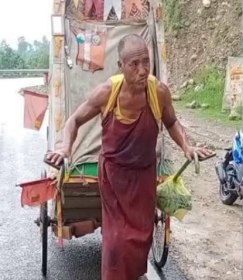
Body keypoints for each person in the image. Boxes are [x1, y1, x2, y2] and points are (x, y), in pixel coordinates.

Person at [45, 34, 212, 280]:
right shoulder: (106, 93)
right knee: (116, 242)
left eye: (146, 62)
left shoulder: (159, 92)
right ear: (120, 66)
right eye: (134, 64)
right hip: (113, 178)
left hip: (144, 176)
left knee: (140, 239)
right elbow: (74, 121)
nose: (142, 70)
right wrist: (65, 149)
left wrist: (187, 146)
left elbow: (172, 122)